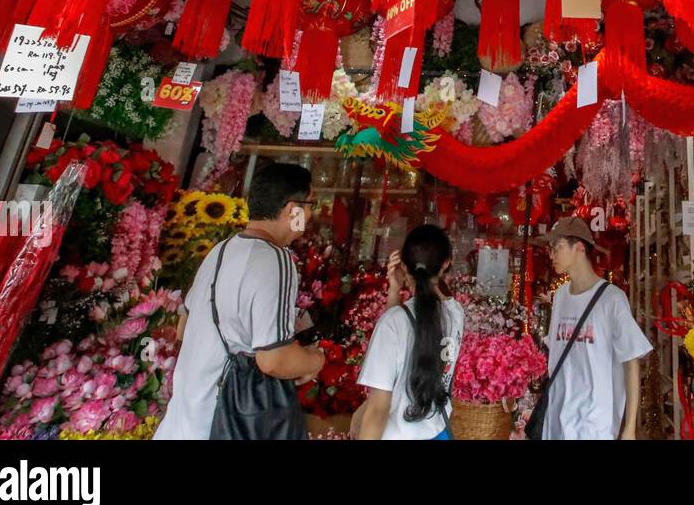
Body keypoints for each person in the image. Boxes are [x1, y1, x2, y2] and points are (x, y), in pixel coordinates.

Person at [154, 162, 324, 440]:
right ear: (292, 209)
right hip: (220, 425)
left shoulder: (221, 250)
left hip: (182, 422)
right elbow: (273, 359)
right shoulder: (276, 259)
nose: (310, 215)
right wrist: (315, 360)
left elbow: (184, 326)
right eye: (310, 205)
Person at [536, 217, 651, 439]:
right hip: (556, 419)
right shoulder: (559, 297)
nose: (551, 256)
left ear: (579, 247)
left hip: (594, 423)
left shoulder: (612, 299)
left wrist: (629, 426)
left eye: (557, 247)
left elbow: (631, 362)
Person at [353, 224, 464, 440]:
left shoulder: (393, 323)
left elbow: (377, 410)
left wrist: (394, 290)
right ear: (446, 264)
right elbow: (416, 322)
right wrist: (396, 292)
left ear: (404, 266)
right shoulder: (456, 314)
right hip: (437, 432)